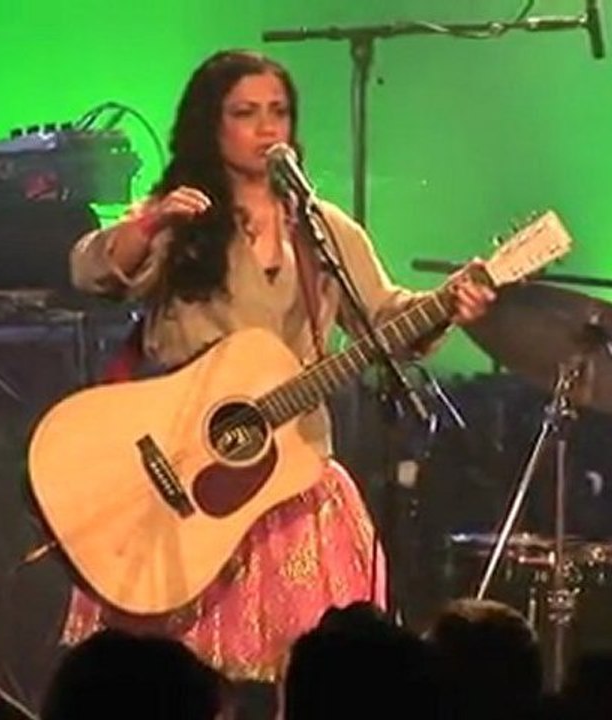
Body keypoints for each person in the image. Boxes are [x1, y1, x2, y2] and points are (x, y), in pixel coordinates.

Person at [57, 48, 494, 704]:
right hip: (181, 479)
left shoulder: (326, 232)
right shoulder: (182, 220)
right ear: (211, 125)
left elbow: (384, 319)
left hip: (292, 479)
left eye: (278, 113)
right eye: (245, 113)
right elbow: (92, 272)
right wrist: (153, 222)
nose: (267, 129)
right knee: (175, 682)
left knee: (316, 680)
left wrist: (449, 305)